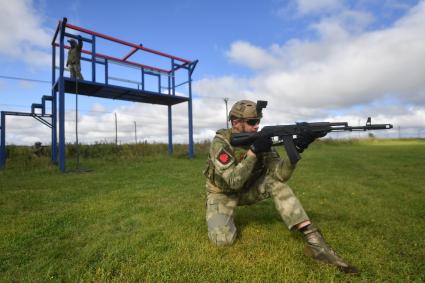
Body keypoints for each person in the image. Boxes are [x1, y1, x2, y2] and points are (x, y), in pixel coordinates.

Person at [203, 100, 359, 274]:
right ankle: (218, 213)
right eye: (252, 122)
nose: (257, 126)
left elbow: (280, 175)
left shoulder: (261, 141)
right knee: (222, 241)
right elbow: (233, 182)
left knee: (275, 184)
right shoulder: (221, 143)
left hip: (247, 190)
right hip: (222, 194)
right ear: (235, 122)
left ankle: (316, 244)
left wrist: (298, 148)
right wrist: (253, 152)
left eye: (258, 122)